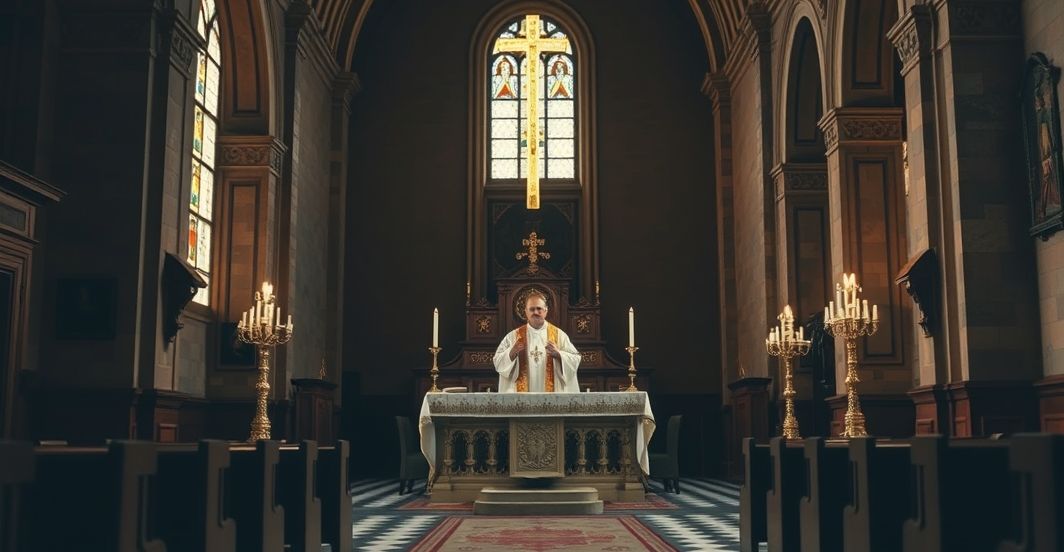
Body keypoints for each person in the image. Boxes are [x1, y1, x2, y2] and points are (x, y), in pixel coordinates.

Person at [493, 290, 581, 392]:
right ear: (526, 312)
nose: (535, 312)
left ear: (546, 311)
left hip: (551, 398)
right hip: (521, 399)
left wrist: (559, 355)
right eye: (532, 309)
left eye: (539, 309)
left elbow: (575, 359)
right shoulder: (513, 337)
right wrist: (511, 353)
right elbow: (497, 362)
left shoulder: (559, 336)